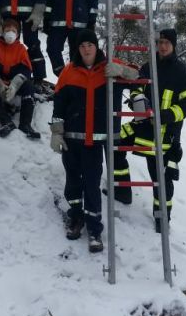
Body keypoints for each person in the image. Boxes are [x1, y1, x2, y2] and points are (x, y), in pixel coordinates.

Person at [50, 29, 137, 253]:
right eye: (82, 46)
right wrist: (56, 132)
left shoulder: (109, 66)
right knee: (73, 182)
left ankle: (95, 229)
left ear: (96, 46)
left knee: (92, 184)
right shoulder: (68, 72)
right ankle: (76, 218)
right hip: (72, 140)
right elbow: (59, 103)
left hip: (95, 143)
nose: (86, 49)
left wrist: (122, 71)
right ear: (77, 49)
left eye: (90, 44)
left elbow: (138, 75)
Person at [113, 28, 186, 231]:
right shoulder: (148, 67)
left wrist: (165, 116)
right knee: (115, 143)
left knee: (161, 179)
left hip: (164, 135)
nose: (163, 46)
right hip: (142, 127)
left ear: (174, 45)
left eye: (167, 43)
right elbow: (136, 87)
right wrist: (137, 101)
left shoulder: (182, 72)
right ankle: (123, 191)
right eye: (161, 42)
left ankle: (162, 219)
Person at [0, 18, 40, 139]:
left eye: (13, 30)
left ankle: (25, 124)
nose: (10, 33)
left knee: (29, 87)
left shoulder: (21, 49)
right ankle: (6, 122)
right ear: (3, 32)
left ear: (18, 34)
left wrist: (15, 84)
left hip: (16, 83)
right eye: (7, 30)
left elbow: (26, 70)